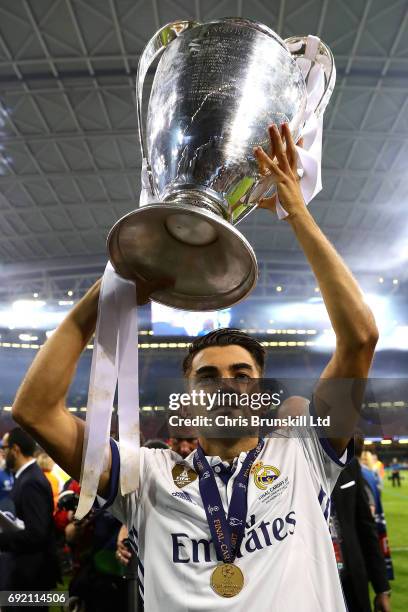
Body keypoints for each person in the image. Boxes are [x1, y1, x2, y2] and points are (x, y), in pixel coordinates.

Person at [11, 124, 379, 611]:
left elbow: (360, 337)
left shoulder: (305, 453)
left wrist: (297, 212)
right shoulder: (144, 475)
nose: (226, 386)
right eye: (207, 376)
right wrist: (107, 296)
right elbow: (34, 410)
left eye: (242, 375)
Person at [0, 428, 60, 611]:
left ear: (15, 450)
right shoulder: (26, 477)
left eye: (5, 447)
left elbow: (37, 533)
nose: (2, 452)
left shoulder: (31, 481)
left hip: (31, 576)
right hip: (27, 572)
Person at [331, 458, 391, 612]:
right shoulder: (288, 465)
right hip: (312, 585)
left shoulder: (349, 464)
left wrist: (381, 588)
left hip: (352, 583)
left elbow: (366, 527)